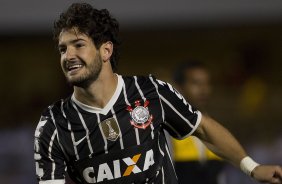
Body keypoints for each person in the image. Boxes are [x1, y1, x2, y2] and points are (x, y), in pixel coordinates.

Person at [33, 3, 282, 184]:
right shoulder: (53, 125)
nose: (68, 56)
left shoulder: (151, 92)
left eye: (78, 45)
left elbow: (202, 128)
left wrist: (252, 167)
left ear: (105, 51)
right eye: (62, 49)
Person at [171, 61, 224, 184]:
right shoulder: (167, 129)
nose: (204, 89)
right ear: (178, 87)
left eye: (207, 83)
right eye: (196, 83)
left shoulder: (216, 128)